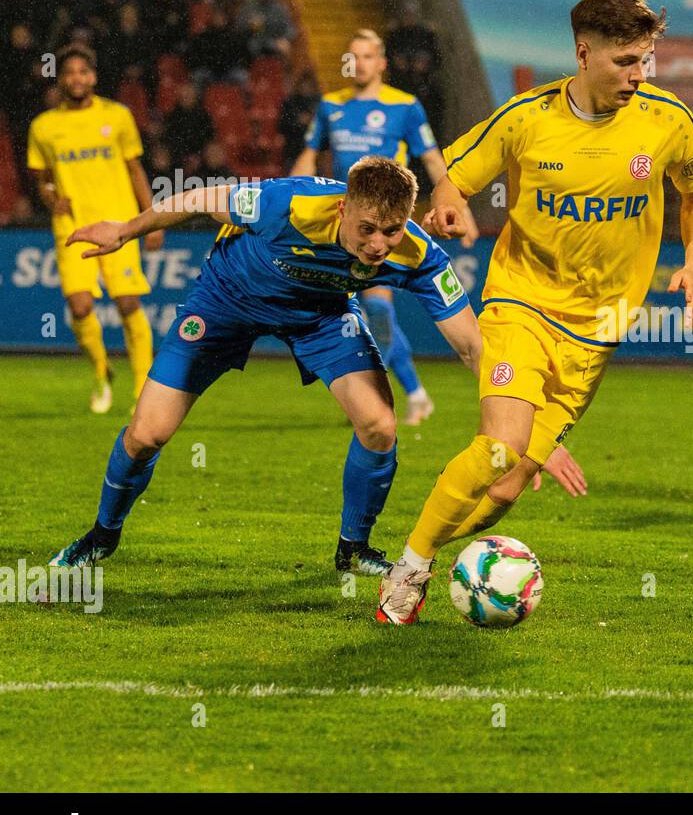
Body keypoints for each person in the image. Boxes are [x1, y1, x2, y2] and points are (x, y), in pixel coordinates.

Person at [374, 0, 693, 625]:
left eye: (644, 60)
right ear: (584, 53)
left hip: (598, 332)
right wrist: (447, 200)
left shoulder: (667, 120)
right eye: (625, 61)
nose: (637, 76)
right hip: (522, 304)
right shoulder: (527, 118)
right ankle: (411, 568)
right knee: (500, 447)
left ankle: (427, 556)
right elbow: (449, 176)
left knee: (504, 488)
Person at [49, 157, 478, 576]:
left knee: (379, 426)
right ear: (344, 207)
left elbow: (473, 348)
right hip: (226, 300)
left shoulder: (419, 255)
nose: (378, 244)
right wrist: (125, 230)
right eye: (366, 229)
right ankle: (103, 535)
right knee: (146, 434)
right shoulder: (286, 204)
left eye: (391, 230)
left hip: (321, 316)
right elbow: (198, 200)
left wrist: (520, 426)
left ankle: (354, 548)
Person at [291, 28, 479, 426]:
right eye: (352, 55)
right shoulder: (330, 106)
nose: (358, 63)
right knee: (363, 312)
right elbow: (309, 158)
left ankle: (383, 400)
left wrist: (458, 205)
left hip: (384, 226)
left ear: (381, 63)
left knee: (375, 307)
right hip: (340, 223)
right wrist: (286, 195)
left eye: (366, 56)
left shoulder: (406, 107)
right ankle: (413, 395)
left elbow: (432, 161)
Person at [27, 45, 160, 413]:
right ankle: (102, 372)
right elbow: (42, 179)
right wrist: (50, 197)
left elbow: (135, 169)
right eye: (69, 72)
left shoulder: (117, 116)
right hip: (72, 226)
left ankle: (142, 392)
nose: (77, 78)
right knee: (80, 306)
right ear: (61, 78)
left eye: (83, 72)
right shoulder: (44, 126)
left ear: (94, 77)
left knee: (128, 302)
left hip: (119, 223)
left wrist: (151, 219)